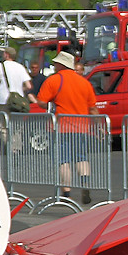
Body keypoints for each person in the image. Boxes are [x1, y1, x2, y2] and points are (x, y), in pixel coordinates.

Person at [37, 51, 99, 204]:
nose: (54, 65)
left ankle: (67, 194)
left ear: (61, 65)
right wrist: (99, 125)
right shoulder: (84, 82)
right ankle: (85, 184)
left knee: (63, 161)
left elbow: (41, 101)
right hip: (82, 126)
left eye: (56, 63)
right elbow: (92, 108)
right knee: (82, 158)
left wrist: (52, 104)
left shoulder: (54, 80)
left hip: (61, 127)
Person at [0, 46, 35, 112]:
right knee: (16, 122)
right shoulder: (21, 67)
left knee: (4, 121)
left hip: (4, 101)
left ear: (7, 55)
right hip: (18, 101)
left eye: (3, 53)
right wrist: (19, 89)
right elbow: (29, 86)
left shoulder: (0, 66)